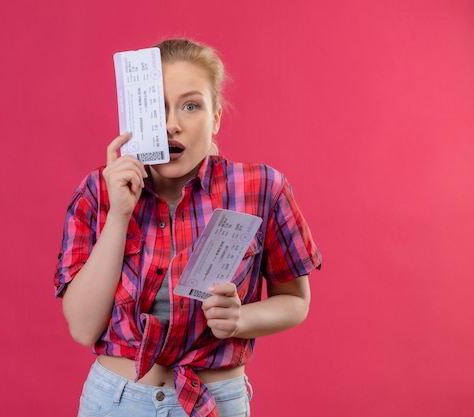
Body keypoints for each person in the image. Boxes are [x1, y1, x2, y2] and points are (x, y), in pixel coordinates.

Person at [55, 38, 322, 417]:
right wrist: (119, 214)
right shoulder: (98, 191)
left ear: (215, 118)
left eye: (191, 105)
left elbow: (296, 300)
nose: (171, 124)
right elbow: (83, 328)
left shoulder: (261, 188)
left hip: (215, 402)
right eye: (157, 107)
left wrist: (242, 319)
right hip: (115, 403)